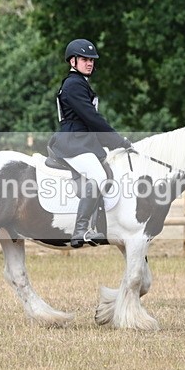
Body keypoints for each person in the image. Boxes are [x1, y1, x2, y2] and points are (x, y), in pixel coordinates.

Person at [48, 38, 133, 248]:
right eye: (85, 59)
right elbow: (92, 119)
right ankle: (81, 229)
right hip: (73, 142)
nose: (90, 63)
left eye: (92, 60)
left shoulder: (80, 84)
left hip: (83, 142)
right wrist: (117, 140)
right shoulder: (73, 84)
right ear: (73, 61)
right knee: (98, 175)